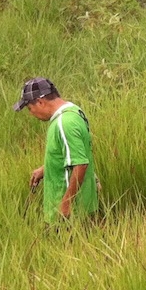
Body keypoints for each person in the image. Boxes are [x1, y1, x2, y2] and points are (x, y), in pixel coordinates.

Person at [15, 77, 100, 223]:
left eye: (30, 108)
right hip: (81, 207)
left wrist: (66, 204)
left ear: (40, 101)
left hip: (69, 214)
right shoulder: (75, 112)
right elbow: (73, 153)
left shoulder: (63, 123)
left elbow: (80, 164)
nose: (31, 114)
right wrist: (45, 169)